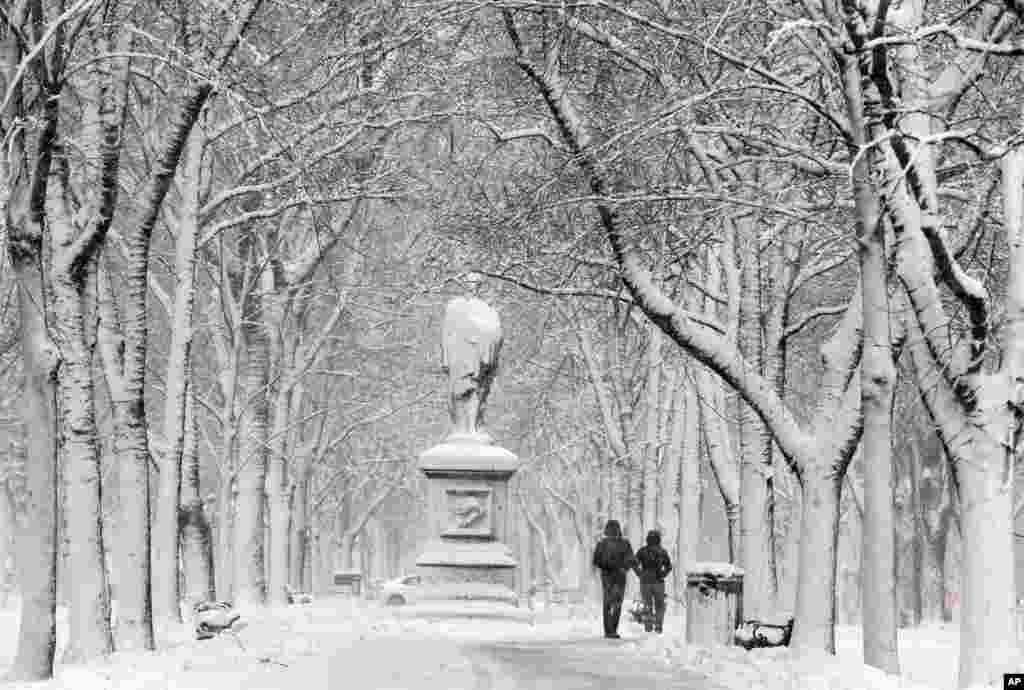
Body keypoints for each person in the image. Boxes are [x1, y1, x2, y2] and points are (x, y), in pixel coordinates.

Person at [592, 519, 638, 639]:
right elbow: (631, 560)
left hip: (611, 575)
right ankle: (611, 630)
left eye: (614, 528)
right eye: (612, 529)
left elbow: (596, 560)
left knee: (609, 603)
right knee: (615, 602)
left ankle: (610, 630)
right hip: (616, 575)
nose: (613, 531)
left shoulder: (602, 544)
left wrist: (606, 566)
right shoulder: (622, 543)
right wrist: (625, 567)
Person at [635, 529, 672, 633]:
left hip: (645, 582)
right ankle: (658, 627)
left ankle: (648, 628)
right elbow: (669, 566)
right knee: (659, 605)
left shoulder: (642, 551)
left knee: (647, 605)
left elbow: (634, 563)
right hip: (658, 582)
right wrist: (663, 574)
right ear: (659, 539)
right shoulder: (662, 551)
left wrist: (640, 574)